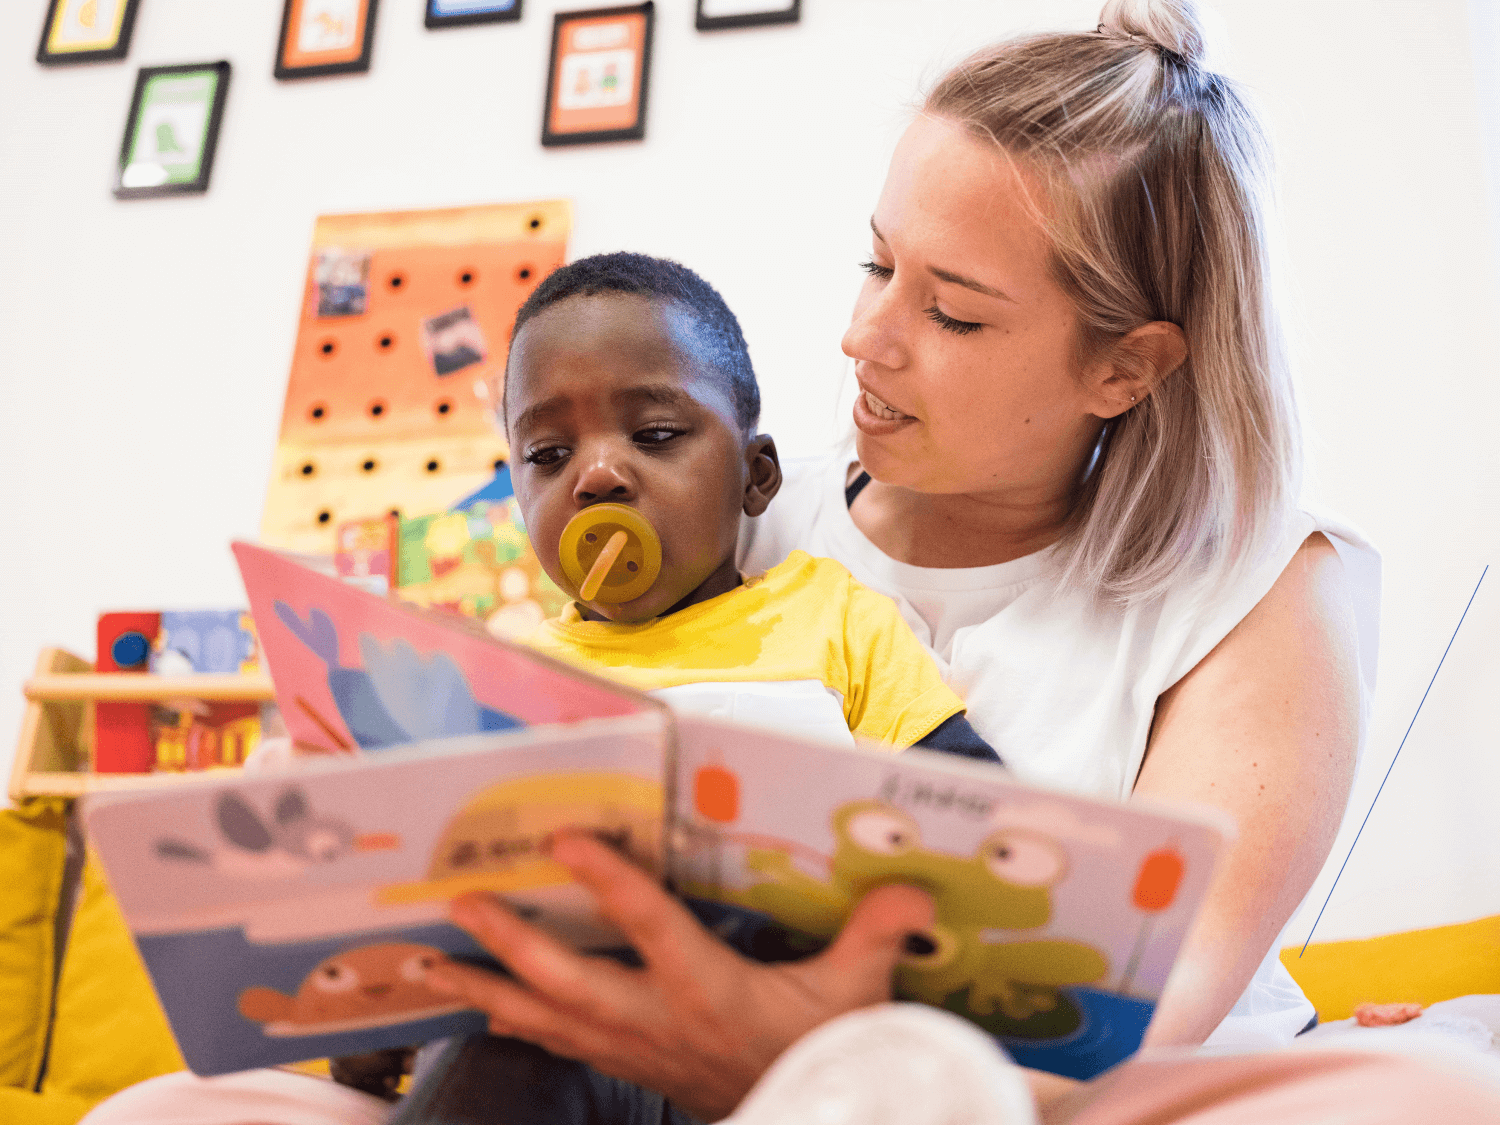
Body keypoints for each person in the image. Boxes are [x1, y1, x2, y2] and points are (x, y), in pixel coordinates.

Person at [407, 0, 1393, 1121]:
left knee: (1432, 1095)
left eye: (953, 314)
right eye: (876, 264)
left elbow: (1125, 1025)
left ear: (1126, 368)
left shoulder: (1262, 592)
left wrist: (801, 1070)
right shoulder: (734, 525)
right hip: (691, 1066)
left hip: (1064, 1094)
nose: (864, 338)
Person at [504, 250, 998, 760]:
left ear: (756, 476)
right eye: (549, 454)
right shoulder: (510, 686)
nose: (598, 475)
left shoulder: (837, 620)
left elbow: (973, 810)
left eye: (655, 434)